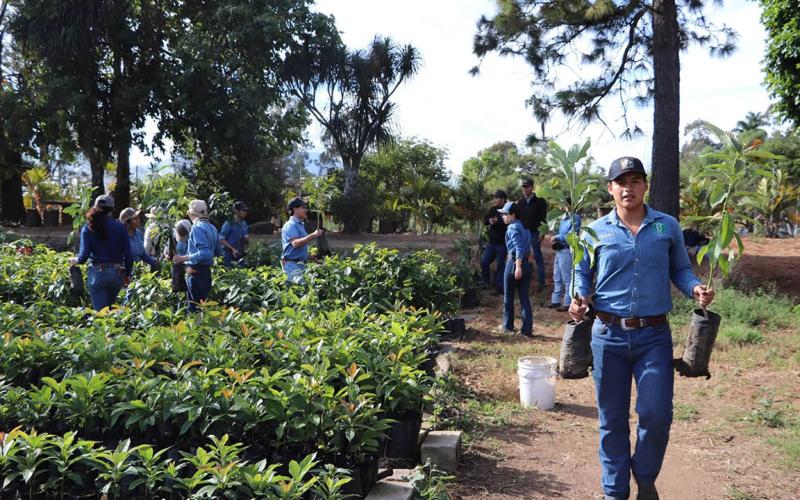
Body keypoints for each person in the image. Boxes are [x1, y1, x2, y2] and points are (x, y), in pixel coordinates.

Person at [568, 157, 716, 500]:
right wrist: (580, 296)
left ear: (645, 186)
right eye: (621, 182)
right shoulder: (593, 232)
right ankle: (614, 491)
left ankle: (645, 478)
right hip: (608, 335)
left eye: (635, 181)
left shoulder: (667, 227)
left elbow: (680, 269)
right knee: (612, 419)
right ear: (610, 189)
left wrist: (695, 287)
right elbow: (582, 273)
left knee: (657, 412)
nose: (628, 188)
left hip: (653, 337)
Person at [69, 194, 133, 311]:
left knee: (100, 315)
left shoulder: (89, 228)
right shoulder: (120, 227)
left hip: (97, 274)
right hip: (116, 274)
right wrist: (127, 273)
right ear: (112, 210)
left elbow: (84, 256)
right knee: (110, 311)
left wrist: (75, 260)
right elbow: (129, 255)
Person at [173, 200, 219, 312]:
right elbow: (217, 252)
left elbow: (206, 253)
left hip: (197, 273)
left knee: (196, 310)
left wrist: (183, 258)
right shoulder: (212, 228)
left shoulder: (197, 228)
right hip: (205, 273)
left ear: (191, 214)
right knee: (203, 307)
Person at [498, 201, 533, 337]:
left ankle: (507, 326)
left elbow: (518, 248)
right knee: (524, 297)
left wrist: (517, 267)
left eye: (505, 214)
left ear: (513, 215)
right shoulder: (524, 226)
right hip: (526, 263)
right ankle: (527, 329)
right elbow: (528, 245)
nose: (503, 217)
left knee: (508, 296)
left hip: (514, 263)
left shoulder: (512, 228)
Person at [281, 197, 323, 284]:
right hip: (292, 266)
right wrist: (313, 235)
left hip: (300, 265)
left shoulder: (300, 225)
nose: (306, 210)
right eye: (303, 208)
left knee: (304, 292)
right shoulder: (290, 225)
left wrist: (314, 259)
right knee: (297, 293)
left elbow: (298, 250)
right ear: (295, 209)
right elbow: (295, 244)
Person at [549, 204, 581, 312]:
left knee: (567, 277)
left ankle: (567, 302)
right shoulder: (563, 218)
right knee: (557, 276)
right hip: (559, 249)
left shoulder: (575, 218)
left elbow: (571, 235)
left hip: (567, 250)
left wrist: (557, 237)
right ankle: (555, 301)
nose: (561, 207)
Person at [517, 178, 547, 292]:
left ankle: (541, 282)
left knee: (537, 256)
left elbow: (544, 219)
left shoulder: (540, 201)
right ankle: (525, 281)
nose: (524, 189)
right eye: (523, 187)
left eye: (527, 186)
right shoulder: (520, 202)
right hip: (523, 233)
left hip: (535, 232)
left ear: (532, 187)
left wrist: (542, 232)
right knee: (523, 256)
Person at [479, 190, 508, 295]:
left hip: (503, 244)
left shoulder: (507, 210)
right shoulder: (493, 209)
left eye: (496, 198)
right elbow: (485, 220)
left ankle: (499, 288)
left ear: (503, 199)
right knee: (484, 261)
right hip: (492, 243)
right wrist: (490, 220)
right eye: (494, 198)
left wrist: (498, 221)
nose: (494, 200)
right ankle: (485, 282)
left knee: (500, 265)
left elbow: (509, 222)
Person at [119, 207, 160, 273]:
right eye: (135, 218)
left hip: (137, 271)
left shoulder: (138, 233)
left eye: (137, 217)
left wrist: (154, 262)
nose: (138, 220)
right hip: (126, 272)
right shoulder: (121, 236)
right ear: (127, 222)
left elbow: (142, 254)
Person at [219, 201, 250, 267]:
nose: (245, 212)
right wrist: (232, 249)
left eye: (246, 210)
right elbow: (221, 239)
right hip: (228, 254)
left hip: (239, 253)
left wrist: (246, 240)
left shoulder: (243, 223)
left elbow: (245, 239)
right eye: (243, 210)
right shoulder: (228, 223)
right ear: (236, 211)